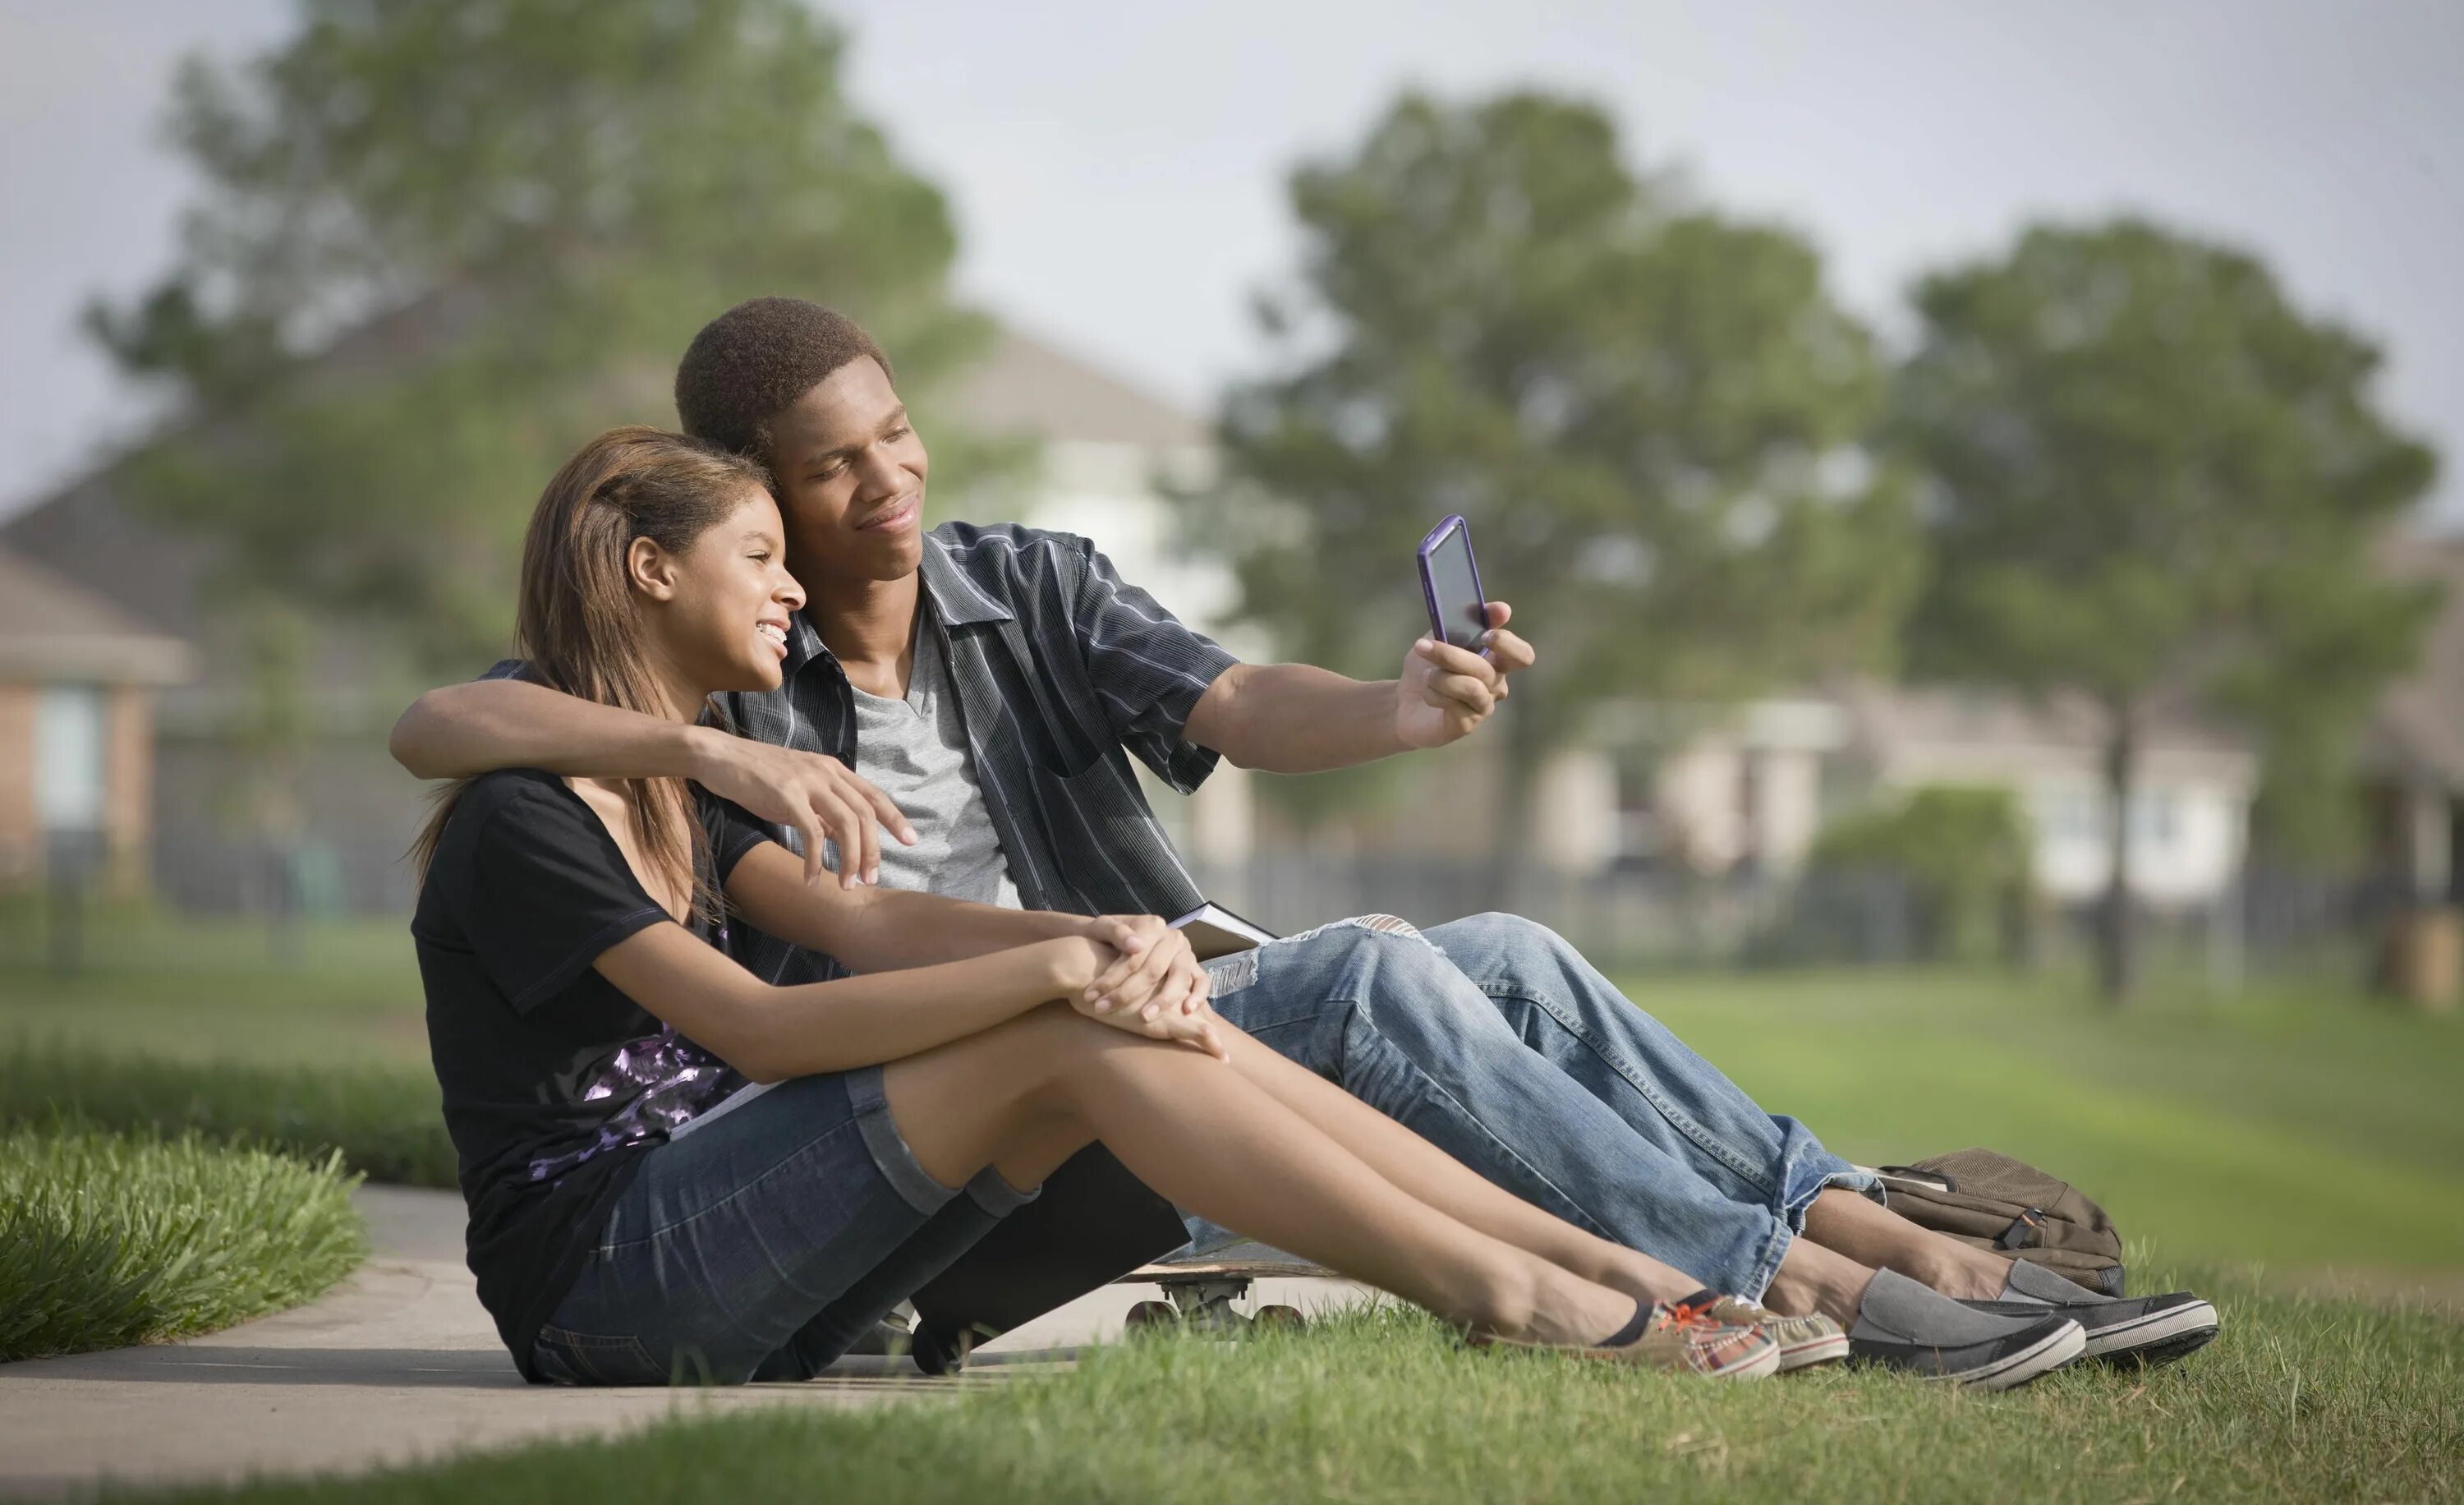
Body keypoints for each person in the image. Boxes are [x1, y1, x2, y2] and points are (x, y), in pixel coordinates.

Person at [393, 301, 2216, 1380]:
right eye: (826, 474)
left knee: (1499, 946)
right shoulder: (726, 710)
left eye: (899, 435)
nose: (886, 485)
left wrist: (1405, 710)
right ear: (745, 501)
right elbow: (464, 729)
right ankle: (1789, 1284)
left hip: (1105, 1035)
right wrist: (734, 768)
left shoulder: (1018, 585)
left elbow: (1236, 698)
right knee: (1364, 971)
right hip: (971, 1138)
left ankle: (1849, 1219)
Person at [412, 424, 1853, 1386]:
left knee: (1130, 1025)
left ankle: (1596, 1266)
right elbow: (765, 1031)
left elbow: (874, 928)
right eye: (762, 558)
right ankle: (1533, 1300)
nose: (792, 589)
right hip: (607, 1288)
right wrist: (1060, 981)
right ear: (651, 571)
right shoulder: (530, 813)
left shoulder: (697, 793)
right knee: (1079, 1037)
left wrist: (1101, 943)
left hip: (742, 1251)